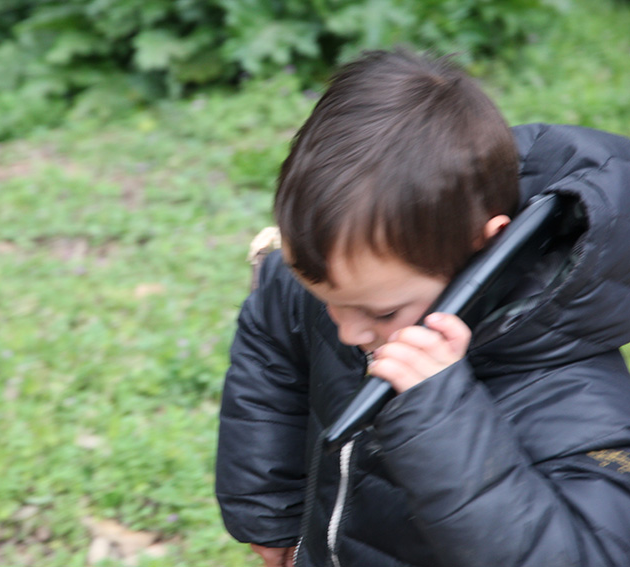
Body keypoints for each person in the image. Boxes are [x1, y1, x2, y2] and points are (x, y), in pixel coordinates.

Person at [215, 48, 630, 567]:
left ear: (484, 251)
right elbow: (274, 332)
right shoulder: (355, 287)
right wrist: (268, 510)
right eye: (327, 302)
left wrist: (443, 417)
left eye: (382, 314)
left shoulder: (577, 399)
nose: (346, 330)